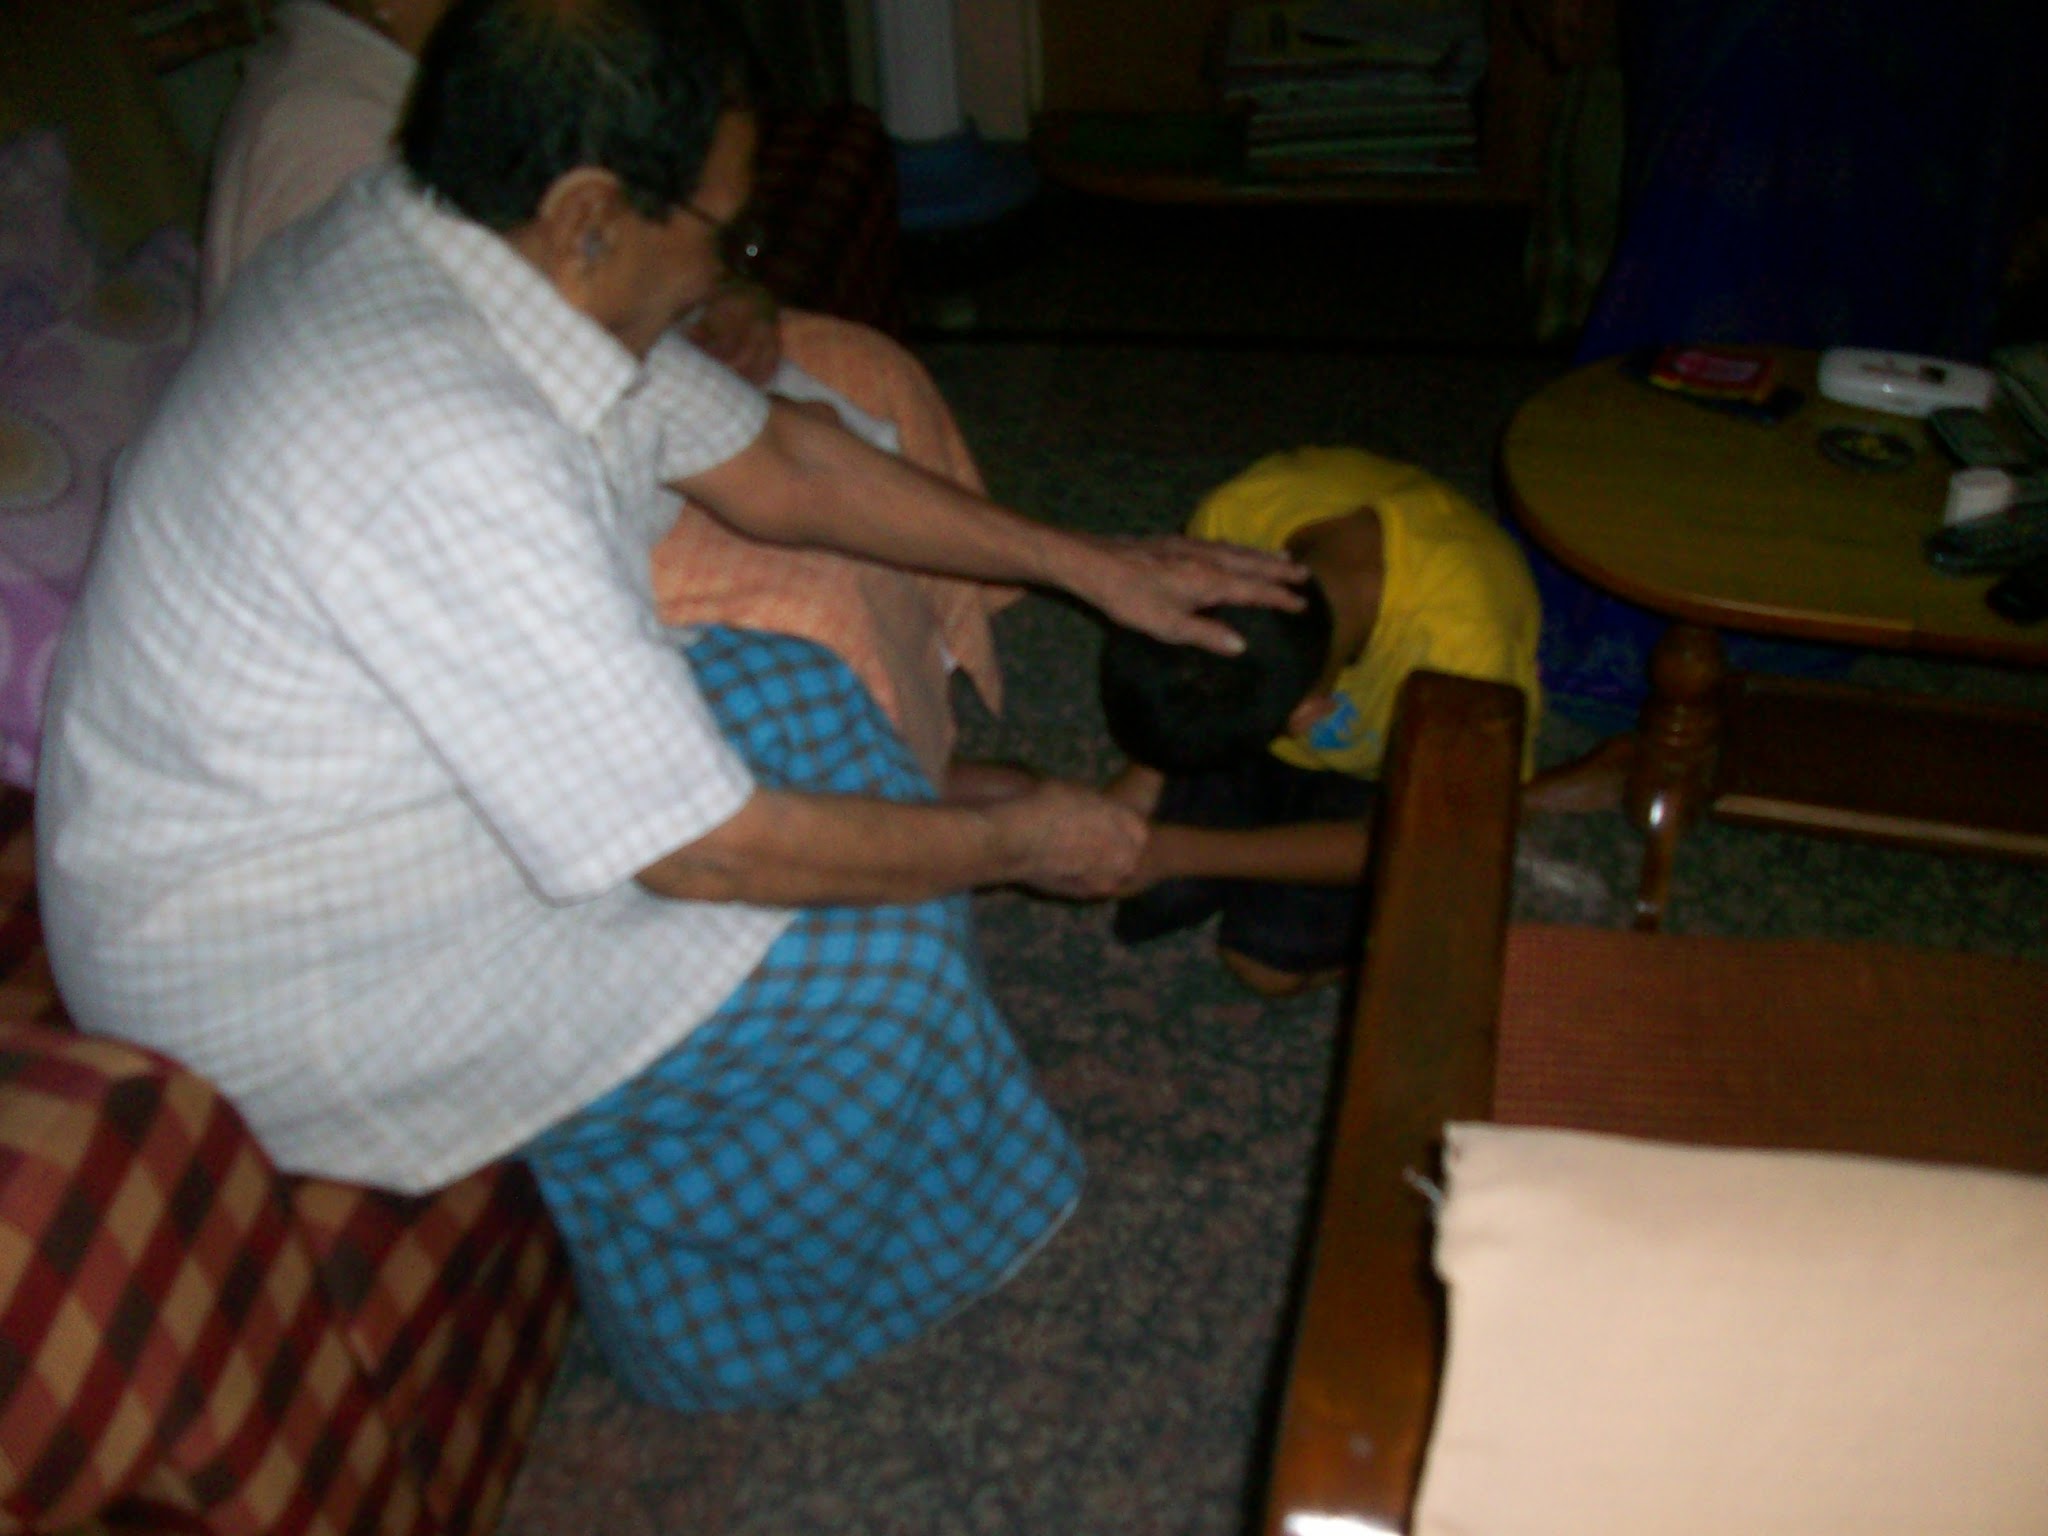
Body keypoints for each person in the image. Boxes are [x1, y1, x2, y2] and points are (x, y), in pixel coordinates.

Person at [35, 0, 1303, 1413]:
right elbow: (705, 851)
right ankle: (743, 1340)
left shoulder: (452, 234)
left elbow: (780, 466)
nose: (726, 265)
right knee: (877, 977)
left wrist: (1094, 565)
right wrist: (1027, 844)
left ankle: (906, 861)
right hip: (284, 969)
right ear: (590, 214)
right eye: (724, 231)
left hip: (332, 794)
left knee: (794, 682)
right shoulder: (444, 441)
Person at [201, 0, 1006, 784]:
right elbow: (674, 828)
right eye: (720, 232)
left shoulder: (444, 136)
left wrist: (723, 298)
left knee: (854, 375)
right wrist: (1013, 843)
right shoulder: (318, 140)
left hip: (545, 414)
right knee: (809, 604)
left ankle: (916, 755)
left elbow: (589, 298)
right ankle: (892, 782)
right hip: (462, 586)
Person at [1099, 445, 1616, 997]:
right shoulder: (1236, 518)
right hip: (1277, 712)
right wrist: (1131, 795)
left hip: (1390, 772)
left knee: (1264, 965)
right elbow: (1186, 682)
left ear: (1307, 718)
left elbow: (1398, 837)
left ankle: (1510, 801)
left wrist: (1177, 849)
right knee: (1142, 889)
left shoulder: (1465, 658)